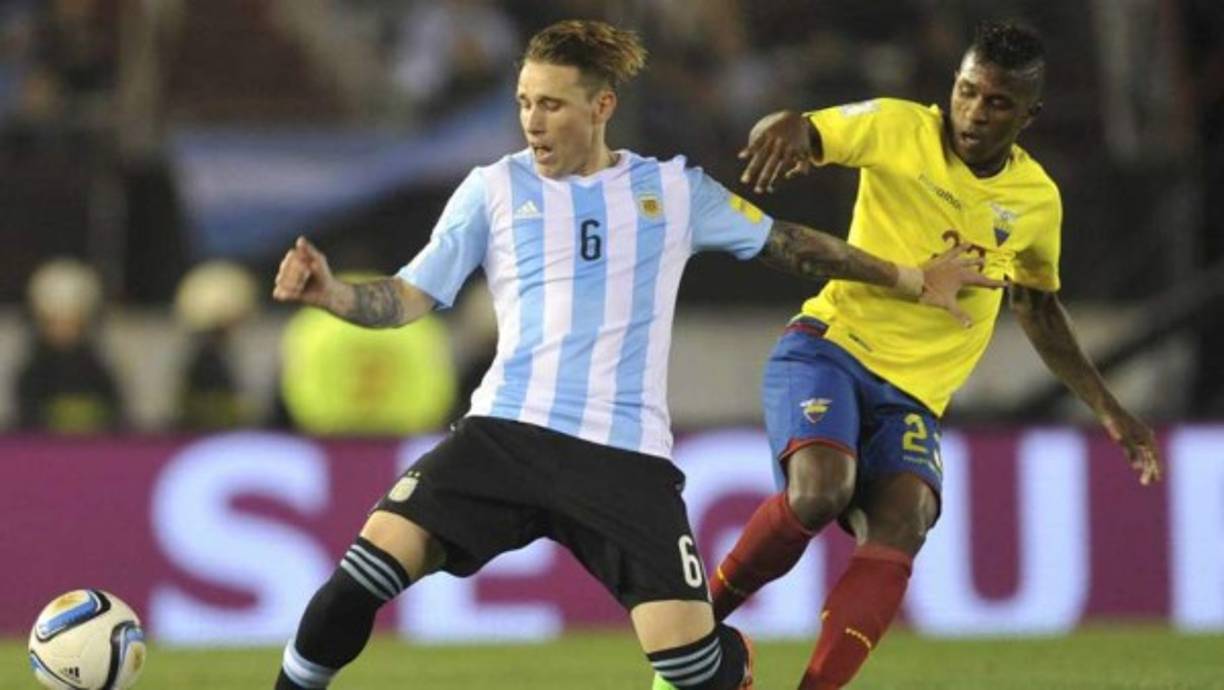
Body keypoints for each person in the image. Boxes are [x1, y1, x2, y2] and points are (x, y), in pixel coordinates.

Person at [270, 20, 991, 690]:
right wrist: (333, 294)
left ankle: (732, 660)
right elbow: (407, 298)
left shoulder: (672, 190)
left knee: (696, 670)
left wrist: (909, 278)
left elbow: (790, 245)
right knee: (354, 585)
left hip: (622, 458)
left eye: (551, 104)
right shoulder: (491, 190)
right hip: (503, 436)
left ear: (602, 106)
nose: (532, 121)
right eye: (524, 102)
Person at [672, 20, 1163, 690]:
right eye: (968, 91)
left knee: (906, 520)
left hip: (912, 399)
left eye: (997, 102)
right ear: (953, 85)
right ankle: (691, 639)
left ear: (1028, 114)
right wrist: (781, 127)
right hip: (830, 349)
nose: (975, 112)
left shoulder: (1036, 202)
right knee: (820, 491)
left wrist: (1108, 408)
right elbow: (806, 131)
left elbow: (1038, 307)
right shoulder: (898, 126)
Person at [16, 256, 124, 433]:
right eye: (54, 322)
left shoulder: (98, 372)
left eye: (73, 322)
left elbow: (117, 421)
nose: (64, 330)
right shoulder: (32, 376)